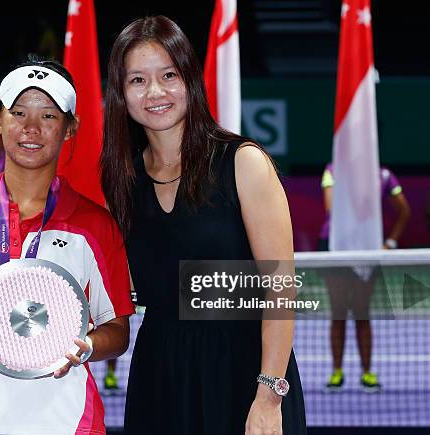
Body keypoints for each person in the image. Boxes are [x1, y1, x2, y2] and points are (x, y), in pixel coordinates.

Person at [100, 16, 306, 435]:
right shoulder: (122, 179)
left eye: (168, 76)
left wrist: (268, 398)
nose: (154, 92)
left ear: (190, 80)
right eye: (137, 80)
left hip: (242, 372)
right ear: (121, 94)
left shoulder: (243, 163)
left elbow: (280, 288)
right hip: (159, 372)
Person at [0, 58, 134, 434]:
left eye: (49, 116)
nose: (31, 128)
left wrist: (88, 345)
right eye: (18, 113)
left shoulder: (97, 226)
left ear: (70, 128)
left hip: (72, 425)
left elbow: (116, 331)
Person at [319, 163, 410, 391]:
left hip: (367, 248)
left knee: (362, 313)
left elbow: (404, 211)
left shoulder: (384, 175)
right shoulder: (333, 170)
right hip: (335, 247)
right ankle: (337, 372)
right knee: (338, 312)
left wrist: (390, 242)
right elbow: (331, 208)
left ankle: (367, 373)